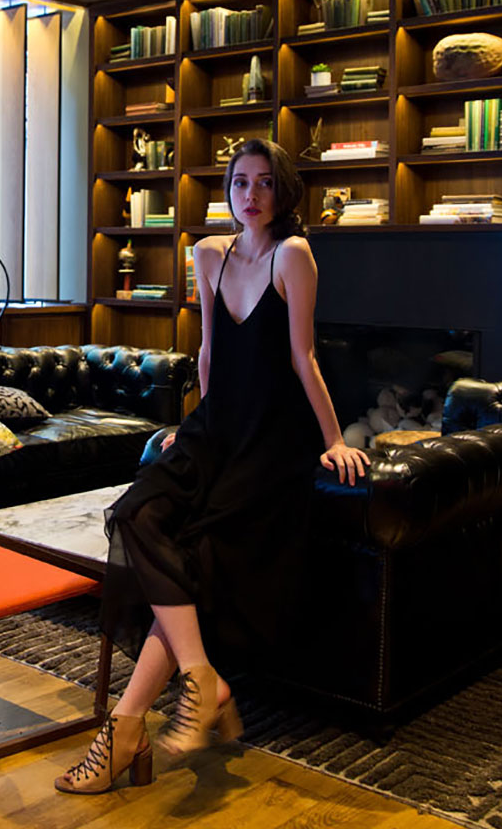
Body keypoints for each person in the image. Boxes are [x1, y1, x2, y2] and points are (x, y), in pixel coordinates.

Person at [55, 138, 370, 794]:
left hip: (273, 437)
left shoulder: (294, 254)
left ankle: (126, 727)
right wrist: (187, 427)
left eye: (261, 184)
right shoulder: (207, 253)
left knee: (197, 553)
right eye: (238, 183)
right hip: (216, 424)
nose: (248, 196)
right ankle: (202, 677)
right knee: (136, 515)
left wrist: (334, 439)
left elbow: (303, 357)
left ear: (282, 193)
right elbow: (206, 351)